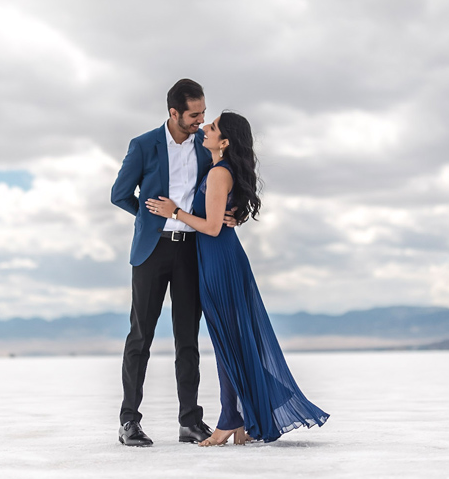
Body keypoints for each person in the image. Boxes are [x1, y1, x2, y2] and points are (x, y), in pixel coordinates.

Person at [146, 111, 329, 444]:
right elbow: (220, 218)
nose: (205, 128)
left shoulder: (219, 172)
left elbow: (212, 227)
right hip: (220, 259)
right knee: (229, 341)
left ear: (225, 142)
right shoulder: (219, 169)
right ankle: (240, 421)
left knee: (228, 341)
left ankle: (230, 420)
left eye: (212, 127)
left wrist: (173, 211)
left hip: (220, 263)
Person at [111, 79, 230, 447]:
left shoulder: (203, 148)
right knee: (140, 337)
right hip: (152, 250)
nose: (201, 120)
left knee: (187, 340)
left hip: (190, 250)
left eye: (203, 113)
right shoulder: (144, 145)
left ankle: (189, 422)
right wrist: (152, 219)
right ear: (173, 113)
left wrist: (232, 211)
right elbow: (119, 194)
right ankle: (129, 422)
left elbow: (221, 183)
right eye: (194, 115)